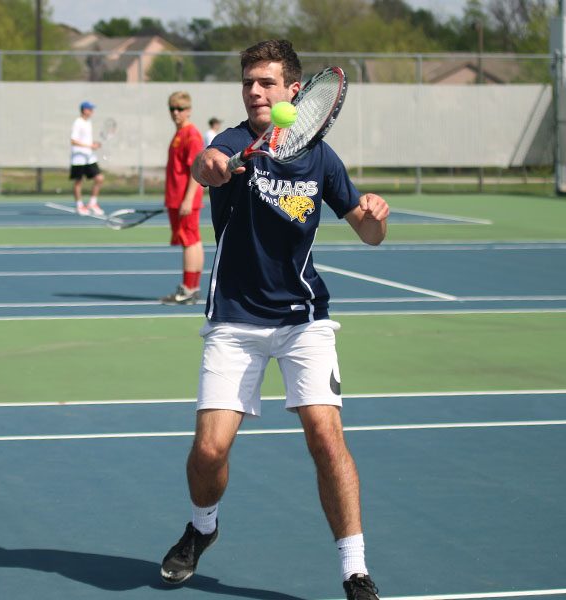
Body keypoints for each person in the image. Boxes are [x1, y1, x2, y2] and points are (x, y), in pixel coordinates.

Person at [158, 40, 389, 600]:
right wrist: (210, 166)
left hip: (304, 321)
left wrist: (375, 214)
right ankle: (203, 528)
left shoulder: (321, 159)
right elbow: (207, 166)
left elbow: (367, 230)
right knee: (210, 450)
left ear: (295, 92)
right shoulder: (232, 143)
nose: (255, 91)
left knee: (325, 437)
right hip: (235, 321)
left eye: (266, 82)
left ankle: (354, 572)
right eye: (247, 83)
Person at [160, 91, 205, 305]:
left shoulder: (191, 135)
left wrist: (187, 200)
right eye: (172, 109)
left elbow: (195, 171)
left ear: (188, 110)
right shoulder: (179, 134)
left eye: (180, 109)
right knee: (192, 241)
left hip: (185, 200)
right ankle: (192, 288)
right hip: (177, 199)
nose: (175, 113)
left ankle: (188, 288)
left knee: (190, 242)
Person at [69, 101, 105, 216]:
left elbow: (85, 140)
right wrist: (90, 146)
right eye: (90, 109)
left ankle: (92, 203)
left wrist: (93, 144)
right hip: (78, 157)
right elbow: (73, 141)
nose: (92, 111)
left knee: (99, 178)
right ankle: (79, 205)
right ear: (84, 110)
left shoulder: (88, 122)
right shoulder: (78, 122)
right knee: (78, 181)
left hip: (89, 157)